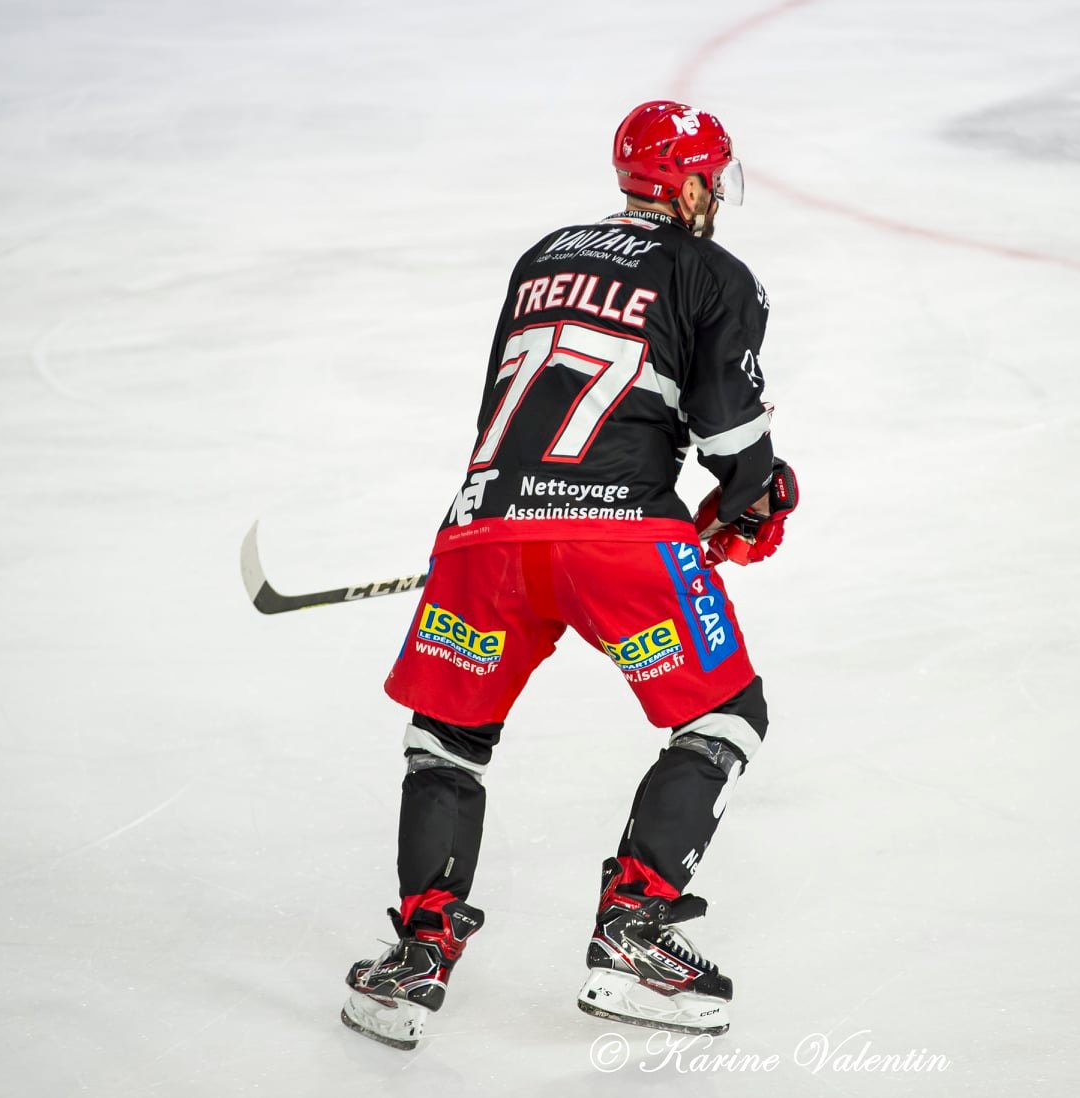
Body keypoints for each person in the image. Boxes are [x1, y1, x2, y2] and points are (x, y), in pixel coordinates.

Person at [338, 100, 798, 1051]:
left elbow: (507, 410)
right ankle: (634, 930)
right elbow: (731, 441)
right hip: (617, 544)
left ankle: (414, 958)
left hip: (484, 537)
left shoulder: (544, 254)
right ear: (696, 183)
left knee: (448, 739)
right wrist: (758, 494)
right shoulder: (715, 273)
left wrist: (496, 522)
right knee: (723, 714)